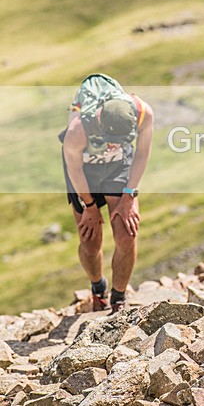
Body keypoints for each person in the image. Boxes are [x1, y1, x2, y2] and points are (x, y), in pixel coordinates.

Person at [60, 74, 154, 312]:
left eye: (120, 141)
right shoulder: (77, 130)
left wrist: (128, 195)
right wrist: (90, 207)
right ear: (99, 121)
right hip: (85, 173)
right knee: (90, 241)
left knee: (127, 233)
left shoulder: (144, 114)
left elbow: (141, 154)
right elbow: (75, 170)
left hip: (118, 168)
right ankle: (98, 287)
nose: (113, 145)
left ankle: (119, 298)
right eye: (110, 140)